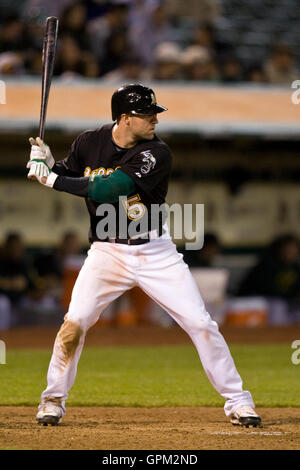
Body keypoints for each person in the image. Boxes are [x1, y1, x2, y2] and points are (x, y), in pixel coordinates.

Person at [26, 83, 261, 428]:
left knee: (200, 322)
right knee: (74, 322)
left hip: (155, 252)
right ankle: (52, 401)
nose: (154, 119)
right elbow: (69, 173)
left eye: (154, 113)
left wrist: (50, 179)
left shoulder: (157, 153)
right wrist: (47, 164)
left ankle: (239, 401)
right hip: (106, 251)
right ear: (123, 118)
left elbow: (111, 189)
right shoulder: (89, 142)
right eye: (146, 114)